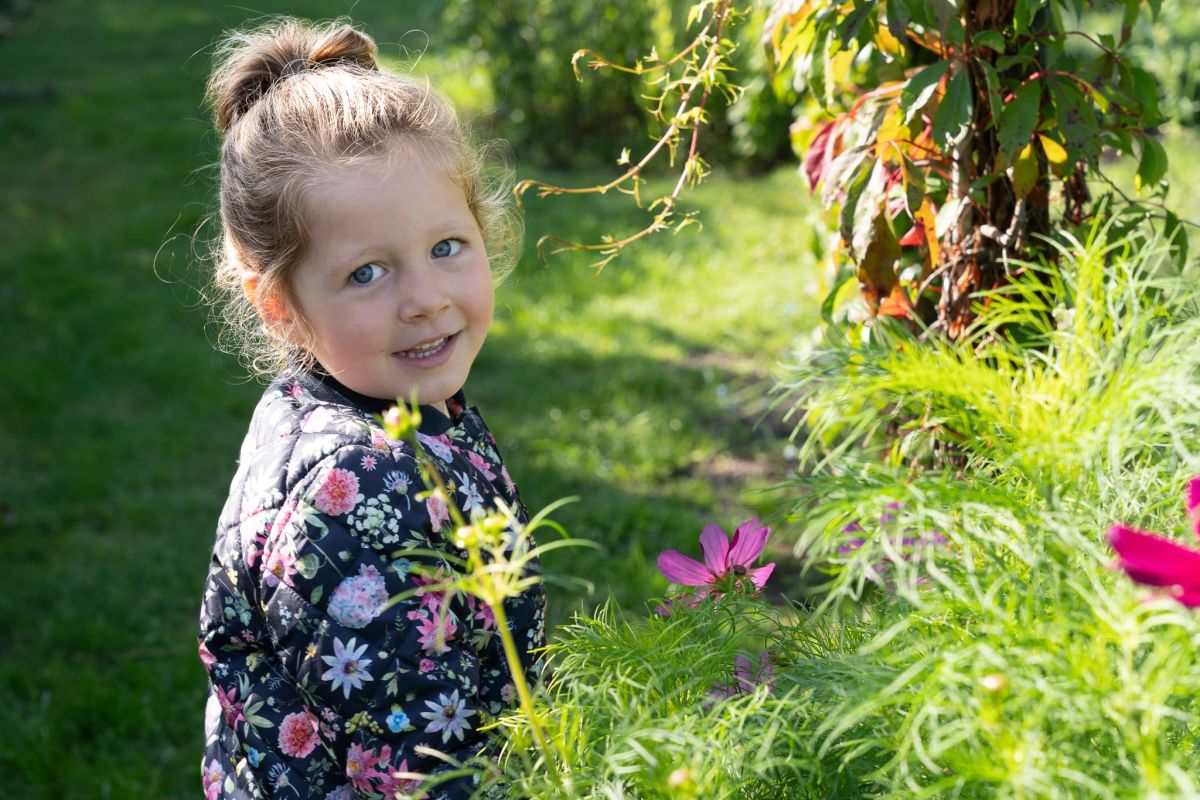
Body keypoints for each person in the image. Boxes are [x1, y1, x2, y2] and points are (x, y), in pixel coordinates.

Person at [195, 18, 542, 799]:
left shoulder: (342, 403)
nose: (425, 300)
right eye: (366, 274)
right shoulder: (355, 491)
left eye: (446, 247)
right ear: (278, 306)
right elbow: (418, 771)